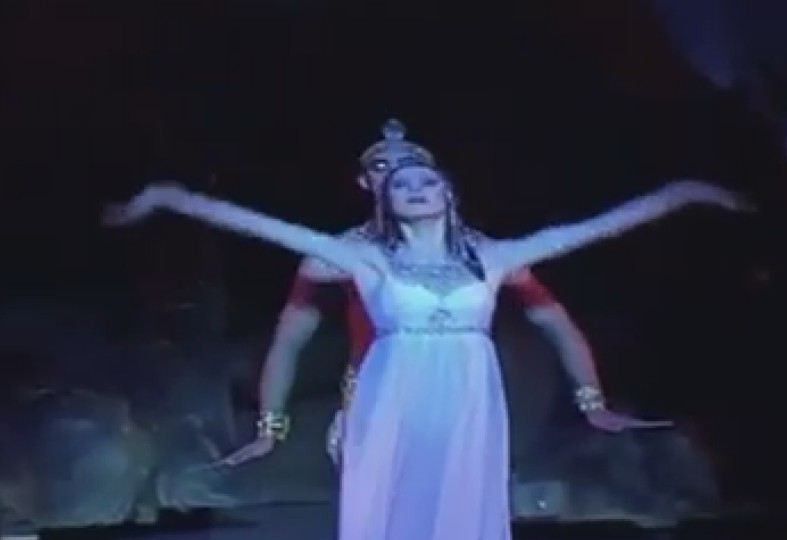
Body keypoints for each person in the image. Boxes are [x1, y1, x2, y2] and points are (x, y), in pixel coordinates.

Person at [104, 163, 745, 540]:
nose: (414, 187)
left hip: (468, 395)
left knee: (463, 510)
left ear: (448, 194)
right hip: (392, 393)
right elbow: (263, 226)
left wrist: (678, 195)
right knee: (392, 511)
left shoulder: (496, 257)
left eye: (427, 180)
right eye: (401, 183)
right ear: (383, 200)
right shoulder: (364, 258)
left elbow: (591, 229)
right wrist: (171, 199)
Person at [220, 119, 660, 468]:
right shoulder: (340, 257)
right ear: (365, 182)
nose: (399, 175)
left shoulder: (479, 254)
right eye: (382, 167)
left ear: (442, 186)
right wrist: (269, 428)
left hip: (461, 395)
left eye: (415, 168)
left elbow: (554, 320)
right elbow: (290, 340)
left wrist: (592, 402)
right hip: (376, 399)